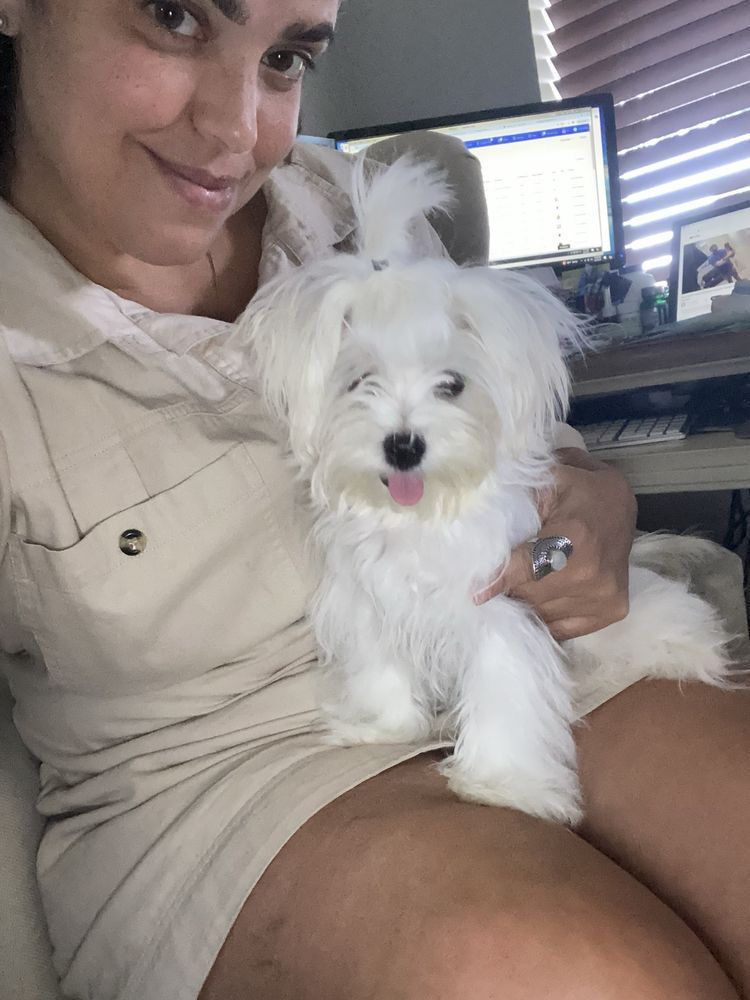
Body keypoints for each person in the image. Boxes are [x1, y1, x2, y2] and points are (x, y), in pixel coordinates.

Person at [0, 3, 748, 999]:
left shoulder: (354, 205)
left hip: (516, 643)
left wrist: (594, 505)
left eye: (287, 56)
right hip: (224, 772)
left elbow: (518, 429)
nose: (237, 131)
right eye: (175, 14)